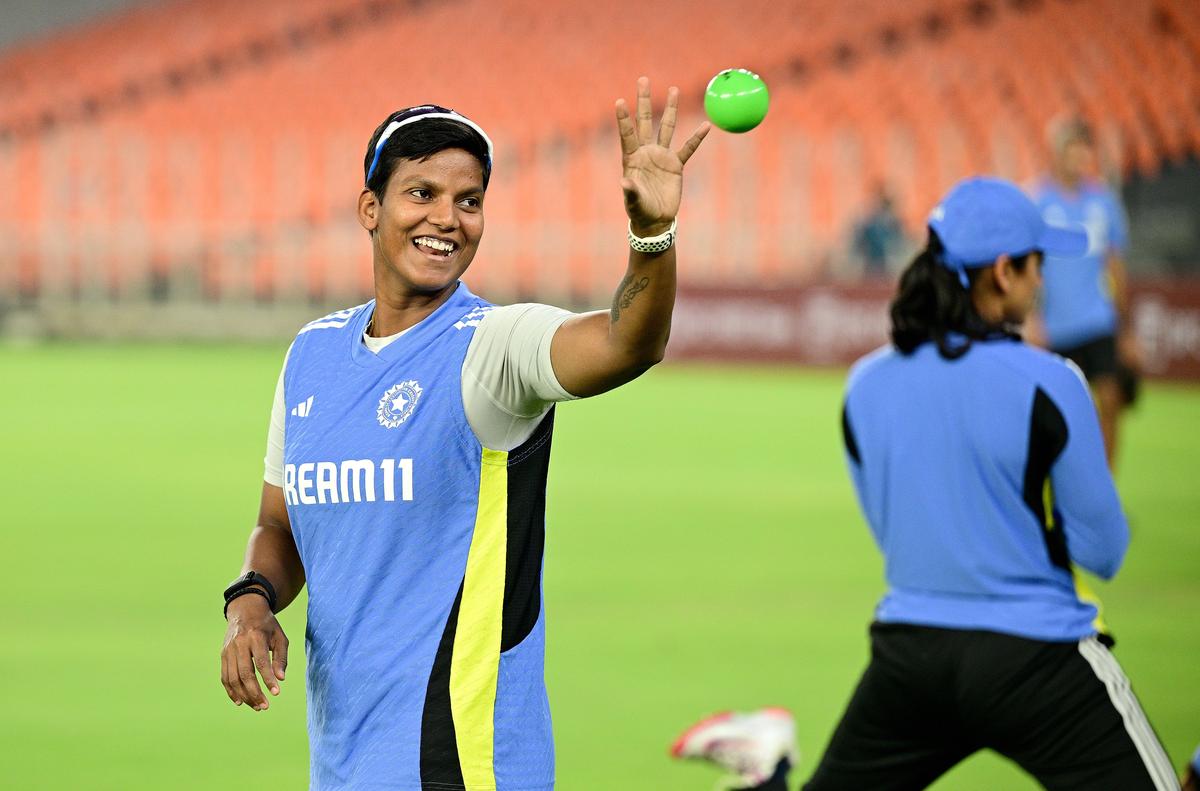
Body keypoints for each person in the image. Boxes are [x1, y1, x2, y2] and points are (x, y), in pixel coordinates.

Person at [218, 78, 709, 790]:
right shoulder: (311, 356)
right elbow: (279, 521)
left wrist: (651, 235)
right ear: (369, 207)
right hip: (343, 762)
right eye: (423, 194)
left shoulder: (492, 348)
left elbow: (625, 342)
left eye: (469, 200)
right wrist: (252, 599)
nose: (448, 218)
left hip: (465, 765)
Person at [672, 177, 1179, 791]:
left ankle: (766, 771)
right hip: (1037, 657)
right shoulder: (1055, 382)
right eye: (1036, 264)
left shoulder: (865, 383)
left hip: (912, 658)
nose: (1042, 280)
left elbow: (893, 528)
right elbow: (1105, 551)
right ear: (1002, 271)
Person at [1032, 118, 1141, 466]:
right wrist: (1032, 318)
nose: (1080, 157)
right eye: (1072, 148)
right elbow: (1030, 268)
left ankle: (1104, 495)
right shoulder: (1039, 203)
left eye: (1084, 149)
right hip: (1056, 327)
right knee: (1057, 416)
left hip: (1097, 321)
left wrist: (1125, 329)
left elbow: (1115, 266)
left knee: (1109, 403)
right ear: (1057, 152)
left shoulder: (1103, 202)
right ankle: (1062, 493)